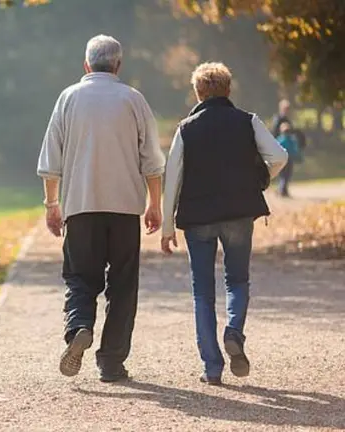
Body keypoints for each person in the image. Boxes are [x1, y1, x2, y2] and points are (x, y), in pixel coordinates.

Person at [37, 35, 165, 382]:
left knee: (80, 277)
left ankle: (79, 326)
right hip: (125, 209)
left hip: (80, 206)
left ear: (86, 65)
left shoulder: (68, 98)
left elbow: (51, 161)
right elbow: (152, 161)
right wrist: (155, 204)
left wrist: (52, 204)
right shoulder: (133, 99)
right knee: (123, 285)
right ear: (118, 65)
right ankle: (111, 362)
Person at [161, 62, 288, 386]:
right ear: (228, 89)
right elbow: (279, 156)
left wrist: (167, 226)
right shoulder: (248, 121)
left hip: (198, 219)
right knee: (238, 281)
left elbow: (172, 177)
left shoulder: (186, 129)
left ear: (198, 92)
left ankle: (212, 368)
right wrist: (261, 178)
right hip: (239, 214)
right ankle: (234, 332)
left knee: (202, 293)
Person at [276, 121, 302, 197]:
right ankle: (282, 190)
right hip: (289, 160)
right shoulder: (291, 139)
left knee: (283, 176)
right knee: (286, 176)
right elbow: (295, 150)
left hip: (282, 160)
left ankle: (283, 190)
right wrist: (298, 157)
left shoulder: (279, 140)